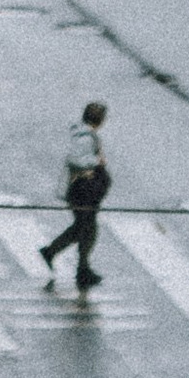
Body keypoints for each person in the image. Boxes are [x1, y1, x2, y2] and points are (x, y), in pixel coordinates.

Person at [41, 102, 111, 290]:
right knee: (85, 228)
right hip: (81, 191)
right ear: (100, 120)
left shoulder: (86, 134)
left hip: (84, 191)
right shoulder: (85, 137)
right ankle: (56, 254)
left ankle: (81, 267)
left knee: (86, 228)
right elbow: (75, 158)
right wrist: (96, 161)